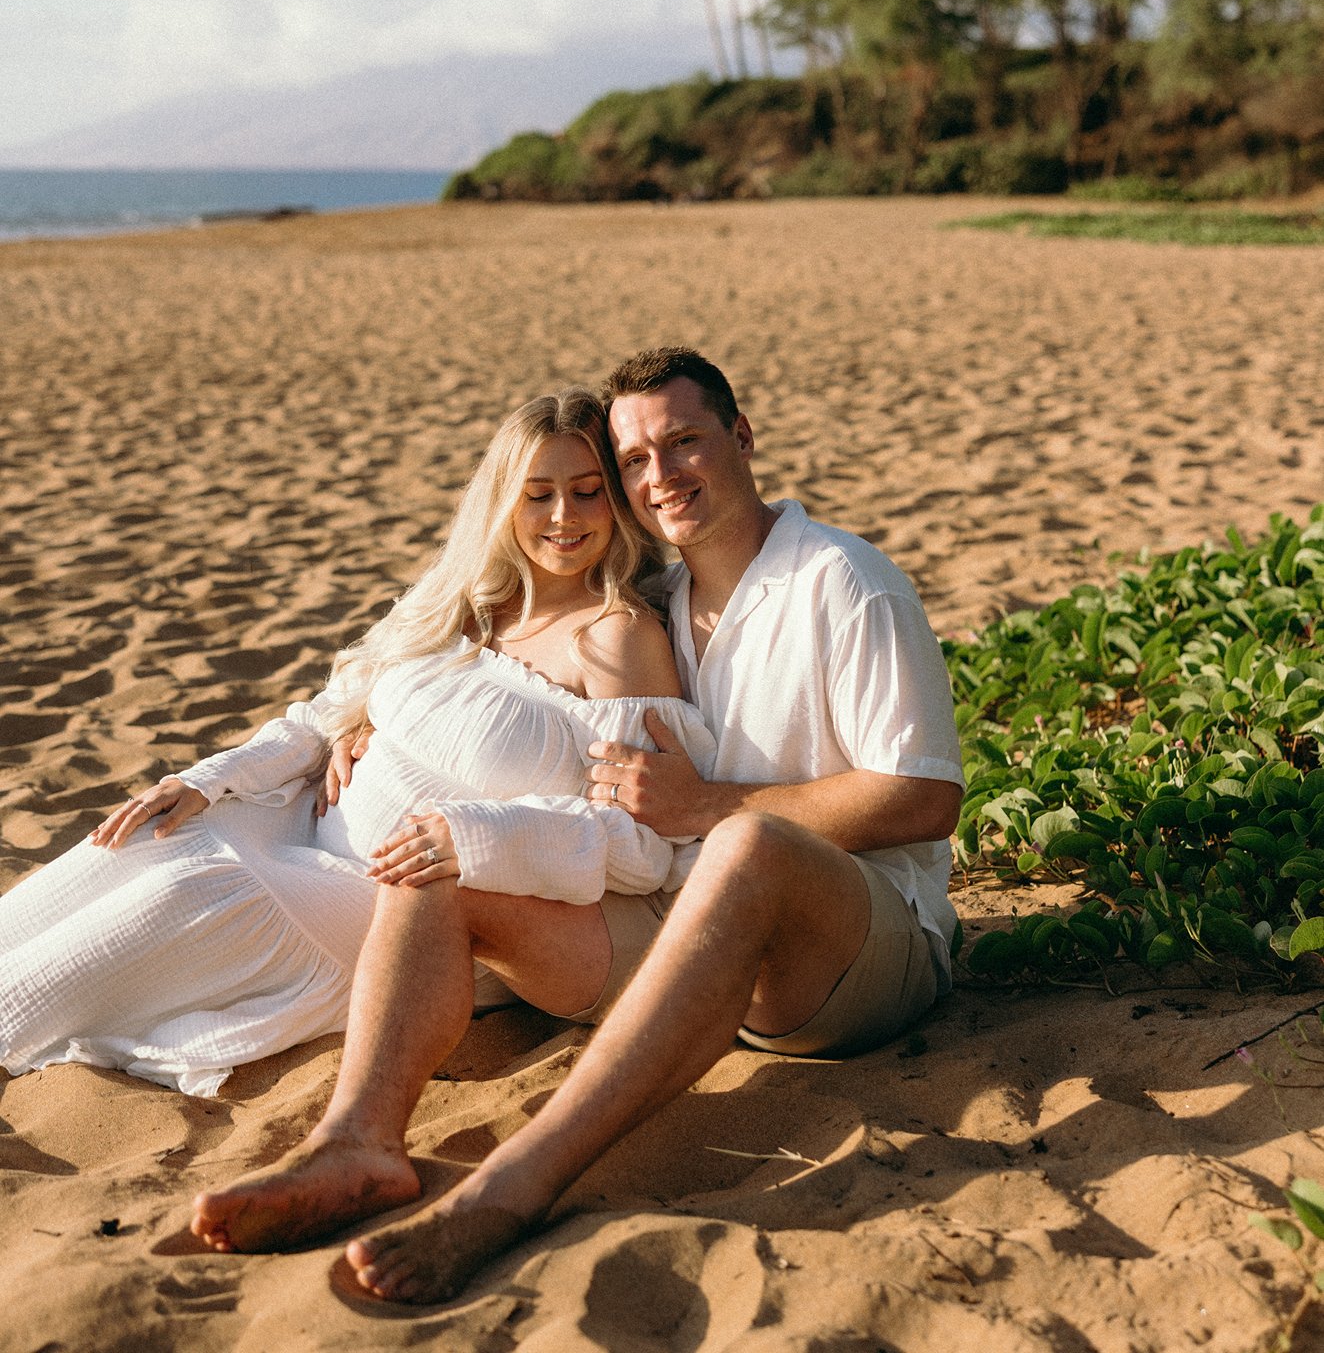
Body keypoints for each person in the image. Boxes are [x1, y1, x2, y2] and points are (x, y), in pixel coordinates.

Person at [191, 347, 965, 1304]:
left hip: (855, 954)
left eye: (684, 442)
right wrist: (364, 724)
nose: (660, 476)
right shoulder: (660, 602)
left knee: (747, 846)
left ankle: (512, 1189)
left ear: (742, 436)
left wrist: (711, 808)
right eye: (635, 461)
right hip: (694, 946)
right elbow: (501, 662)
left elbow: (925, 797)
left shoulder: (843, 581)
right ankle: (357, 1145)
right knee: (441, 868)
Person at [0, 388, 714, 1098]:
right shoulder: (466, 597)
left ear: (616, 503)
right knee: (156, 836)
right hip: (298, 822)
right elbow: (323, 715)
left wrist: (476, 835)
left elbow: (641, 845)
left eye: (587, 492)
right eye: (538, 495)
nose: (564, 517)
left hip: (387, 901)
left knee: (194, 888)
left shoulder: (617, 638)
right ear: (503, 504)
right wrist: (211, 778)